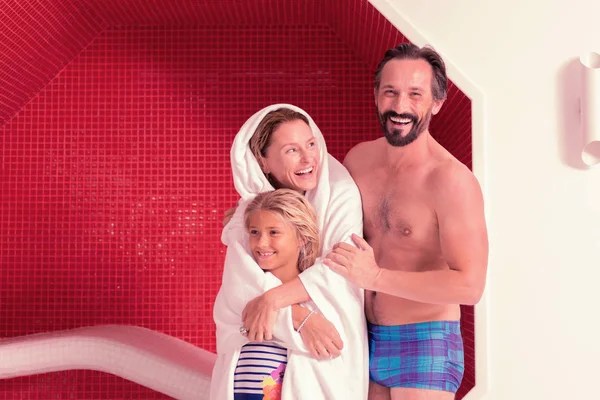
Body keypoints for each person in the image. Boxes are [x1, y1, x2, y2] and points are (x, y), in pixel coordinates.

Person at [324, 43, 489, 400]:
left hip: (424, 339)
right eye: (391, 92)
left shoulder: (451, 181)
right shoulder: (358, 159)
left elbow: (470, 285)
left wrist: (376, 278)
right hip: (363, 336)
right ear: (376, 95)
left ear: (437, 102)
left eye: (415, 95)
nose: (400, 107)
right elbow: (323, 217)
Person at [210, 104, 368, 400]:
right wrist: (297, 316)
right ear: (264, 162)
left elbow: (341, 266)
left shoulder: (339, 193)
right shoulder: (250, 209)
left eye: (311, 144)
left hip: (318, 359)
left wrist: (272, 300)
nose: (309, 158)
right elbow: (240, 287)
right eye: (291, 150)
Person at [232, 188, 320, 399]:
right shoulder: (241, 291)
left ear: (301, 237)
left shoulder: (318, 298)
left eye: (274, 232)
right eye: (255, 232)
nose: (261, 243)